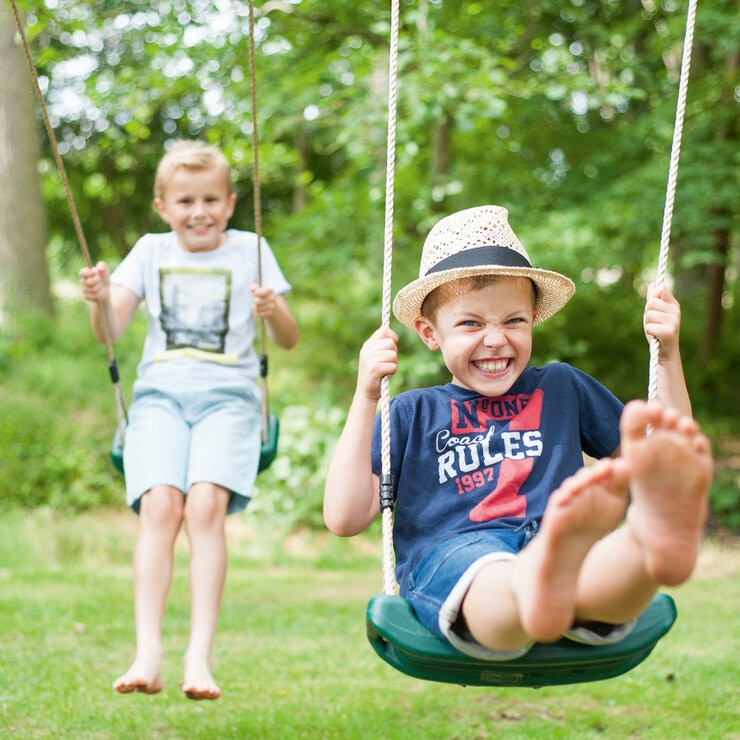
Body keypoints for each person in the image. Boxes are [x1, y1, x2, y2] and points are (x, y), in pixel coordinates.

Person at [324, 205, 711, 660]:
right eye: (471, 323)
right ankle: (539, 583)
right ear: (429, 333)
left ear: (533, 320)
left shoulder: (562, 386)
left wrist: (666, 356)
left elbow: (664, 454)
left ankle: (647, 540)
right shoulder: (412, 412)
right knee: (493, 578)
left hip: (557, 535)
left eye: (513, 321)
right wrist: (366, 395)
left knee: (603, 580)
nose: (495, 339)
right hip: (456, 553)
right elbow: (345, 517)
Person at [80, 140, 298, 699]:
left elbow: (289, 340)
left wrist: (274, 312)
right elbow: (110, 332)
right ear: (162, 205)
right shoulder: (150, 252)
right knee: (160, 505)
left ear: (228, 203)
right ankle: (147, 653)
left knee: (204, 507)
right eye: (185, 201)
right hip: (159, 399)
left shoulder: (251, 249)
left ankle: (198, 657)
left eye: (209, 200)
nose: (197, 212)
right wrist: (98, 300)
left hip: (229, 400)